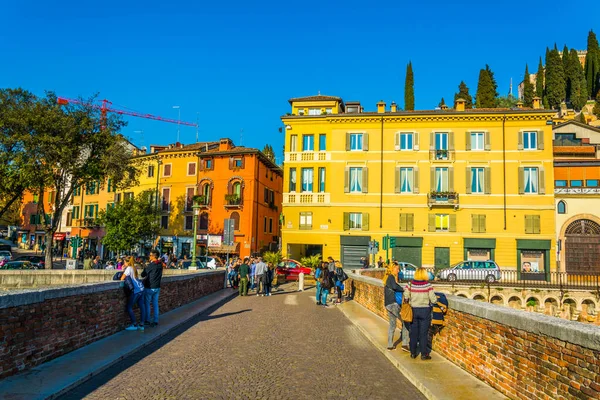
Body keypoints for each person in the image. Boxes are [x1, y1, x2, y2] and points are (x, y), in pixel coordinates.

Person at [404, 267, 437, 360]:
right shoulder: (428, 285)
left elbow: (406, 296)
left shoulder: (410, 284)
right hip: (425, 310)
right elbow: (433, 300)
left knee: (413, 332)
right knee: (423, 333)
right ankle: (424, 354)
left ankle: (413, 353)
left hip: (413, 310)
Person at [383, 261, 409, 351]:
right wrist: (402, 289)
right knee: (406, 322)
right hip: (393, 304)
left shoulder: (387, 278)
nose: (398, 271)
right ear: (392, 269)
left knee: (392, 325)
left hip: (388, 304)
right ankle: (405, 344)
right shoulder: (391, 277)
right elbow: (394, 287)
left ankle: (390, 345)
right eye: (397, 269)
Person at [120, 256, 146, 331]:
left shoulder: (128, 269)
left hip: (136, 290)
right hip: (141, 288)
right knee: (142, 306)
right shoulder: (134, 268)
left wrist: (123, 270)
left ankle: (134, 324)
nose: (123, 263)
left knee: (129, 307)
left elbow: (122, 278)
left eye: (124, 262)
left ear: (127, 262)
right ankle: (142, 324)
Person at [141, 249, 163, 327]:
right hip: (157, 287)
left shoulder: (151, 265)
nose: (149, 256)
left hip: (150, 287)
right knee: (155, 304)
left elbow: (143, 275)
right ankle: (156, 320)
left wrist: (145, 267)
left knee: (147, 304)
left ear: (154, 256)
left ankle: (147, 320)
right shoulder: (160, 265)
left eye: (150, 255)